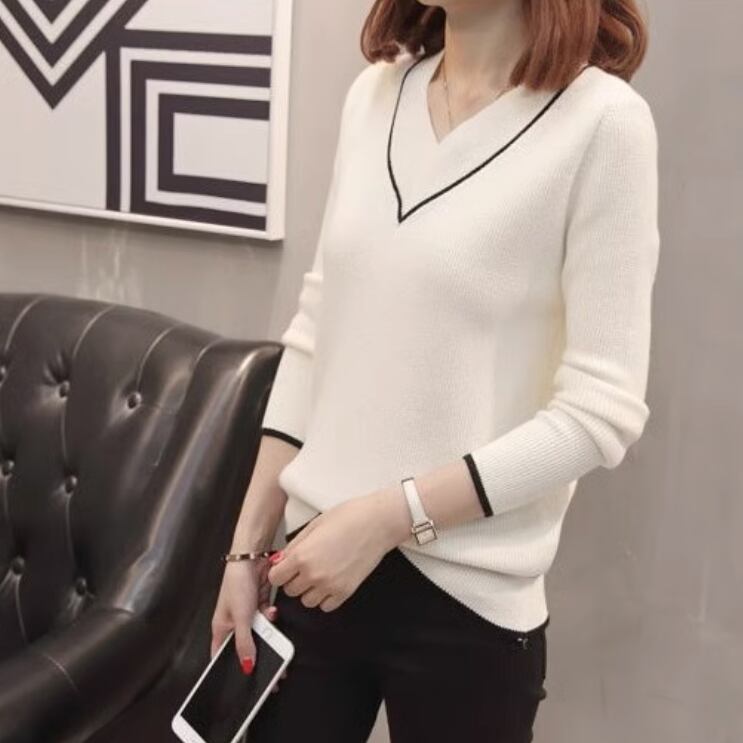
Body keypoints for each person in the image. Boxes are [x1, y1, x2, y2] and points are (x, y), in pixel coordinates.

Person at [211, 0, 660, 740]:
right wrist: (244, 546)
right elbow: (317, 332)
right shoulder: (373, 95)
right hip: (310, 567)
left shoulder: (603, 123)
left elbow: (599, 412)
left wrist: (388, 517)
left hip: (468, 607)